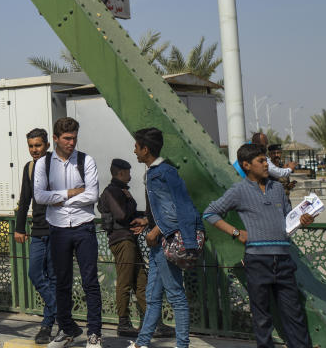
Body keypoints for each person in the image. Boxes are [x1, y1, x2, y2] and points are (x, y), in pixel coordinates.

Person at [203, 143, 314, 348]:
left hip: (283, 260)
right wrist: (236, 233)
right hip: (257, 261)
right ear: (246, 165)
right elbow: (210, 213)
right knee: (262, 319)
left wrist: (303, 220)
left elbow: (288, 220)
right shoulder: (238, 190)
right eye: (261, 161)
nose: (266, 165)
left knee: (294, 316)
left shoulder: (278, 188)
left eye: (266, 160)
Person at [131, 127, 204, 348]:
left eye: (136, 147)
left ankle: (182, 344)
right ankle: (141, 343)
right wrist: (147, 222)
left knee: (175, 294)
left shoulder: (162, 172)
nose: (133, 151)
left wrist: (155, 230)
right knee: (153, 295)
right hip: (160, 241)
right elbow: (163, 207)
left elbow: (176, 210)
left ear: (145, 149)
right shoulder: (156, 172)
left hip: (165, 241)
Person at [33, 117, 102, 348]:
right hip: (59, 229)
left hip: (84, 227)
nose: (72, 142)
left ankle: (94, 334)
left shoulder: (86, 161)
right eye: (67, 138)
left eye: (74, 138)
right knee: (61, 283)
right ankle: (66, 330)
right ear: (55, 139)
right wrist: (71, 193)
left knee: (90, 282)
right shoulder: (43, 164)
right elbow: (40, 197)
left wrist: (59, 200)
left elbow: (92, 195)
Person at [13, 128, 57, 344]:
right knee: (35, 273)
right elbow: (24, 199)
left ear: (47, 145)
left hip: (57, 230)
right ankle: (60, 311)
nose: (34, 150)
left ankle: (47, 326)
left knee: (54, 277)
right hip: (38, 230)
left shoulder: (57, 165)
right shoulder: (29, 168)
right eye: (31, 146)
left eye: (38, 145)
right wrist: (19, 227)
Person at [97, 159, 148, 337]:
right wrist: (129, 201)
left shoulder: (121, 190)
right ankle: (123, 322)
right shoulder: (112, 191)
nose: (130, 175)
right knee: (125, 281)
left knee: (141, 281)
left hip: (129, 239)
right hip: (122, 240)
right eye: (127, 172)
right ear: (120, 173)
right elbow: (122, 214)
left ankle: (151, 322)